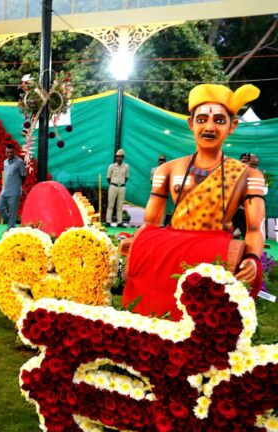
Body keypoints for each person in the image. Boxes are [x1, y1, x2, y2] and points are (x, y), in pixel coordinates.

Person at [125, 83, 265, 318]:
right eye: (202, 119)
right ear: (191, 123)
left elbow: (254, 227)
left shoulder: (249, 176)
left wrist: (251, 258)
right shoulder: (167, 170)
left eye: (219, 120)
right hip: (169, 255)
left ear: (233, 125)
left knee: (206, 322)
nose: (209, 127)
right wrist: (136, 243)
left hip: (215, 256)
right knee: (157, 317)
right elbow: (151, 223)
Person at [0, 144, 26, 231]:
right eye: (7, 152)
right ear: (5, 152)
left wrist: (18, 186)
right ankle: (12, 224)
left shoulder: (19, 162)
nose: (9, 154)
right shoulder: (5, 162)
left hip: (14, 191)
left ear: (14, 152)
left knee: (13, 212)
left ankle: (9, 230)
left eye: (11, 152)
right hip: (4, 190)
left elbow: (23, 176)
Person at [105, 149, 129, 227]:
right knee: (110, 205)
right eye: (117, 157)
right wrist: (113, 184)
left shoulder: (126, 167)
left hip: (122, 187)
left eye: (120, 157)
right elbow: (108, 178)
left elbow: (126, 178)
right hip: (113, 186)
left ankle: (119, 222)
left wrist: (121, 184)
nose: (119, 158)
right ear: (116, 157)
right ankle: (108, 221)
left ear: (123, 157)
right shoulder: (111, 166)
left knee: (120, 205)